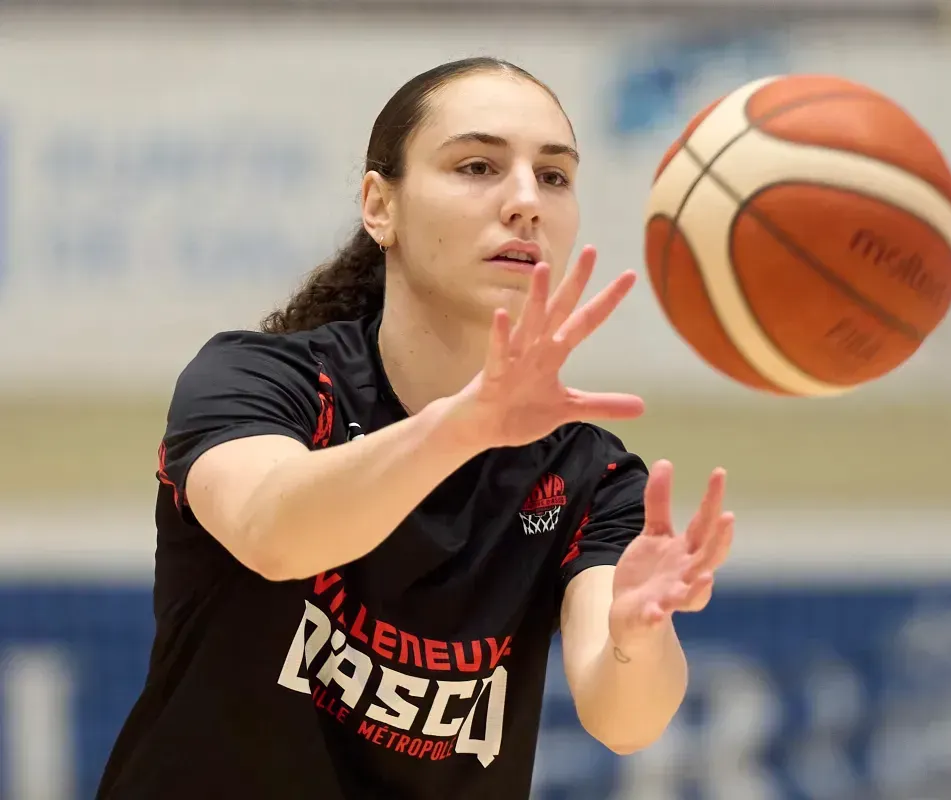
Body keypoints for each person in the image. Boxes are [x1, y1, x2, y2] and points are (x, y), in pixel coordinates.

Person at [96, 56, 736, 800]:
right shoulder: (261, 380)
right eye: (476, 166)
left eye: (554, 176)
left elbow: (625, 721)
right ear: (380, 207)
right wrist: (462, 427)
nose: (527, 200)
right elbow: (274, 533)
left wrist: (636, 635)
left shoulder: (590, 478)